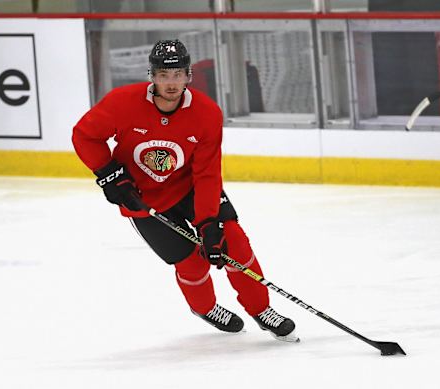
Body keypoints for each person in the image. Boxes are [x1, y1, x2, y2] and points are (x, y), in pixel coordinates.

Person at [72, 39, 297, 341]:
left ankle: (260, 309)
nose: (171, 82)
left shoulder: (206, 113)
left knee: (233, 241)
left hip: (190, 188)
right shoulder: (121, 102)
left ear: (188, 75)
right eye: (164, 75)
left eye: (178, 74)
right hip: (142, 198)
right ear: (151, 75)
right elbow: (84, 136)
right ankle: (205, 308)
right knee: (190, 260)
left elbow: (206, 173)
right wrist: (110, 175)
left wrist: (207, 223)